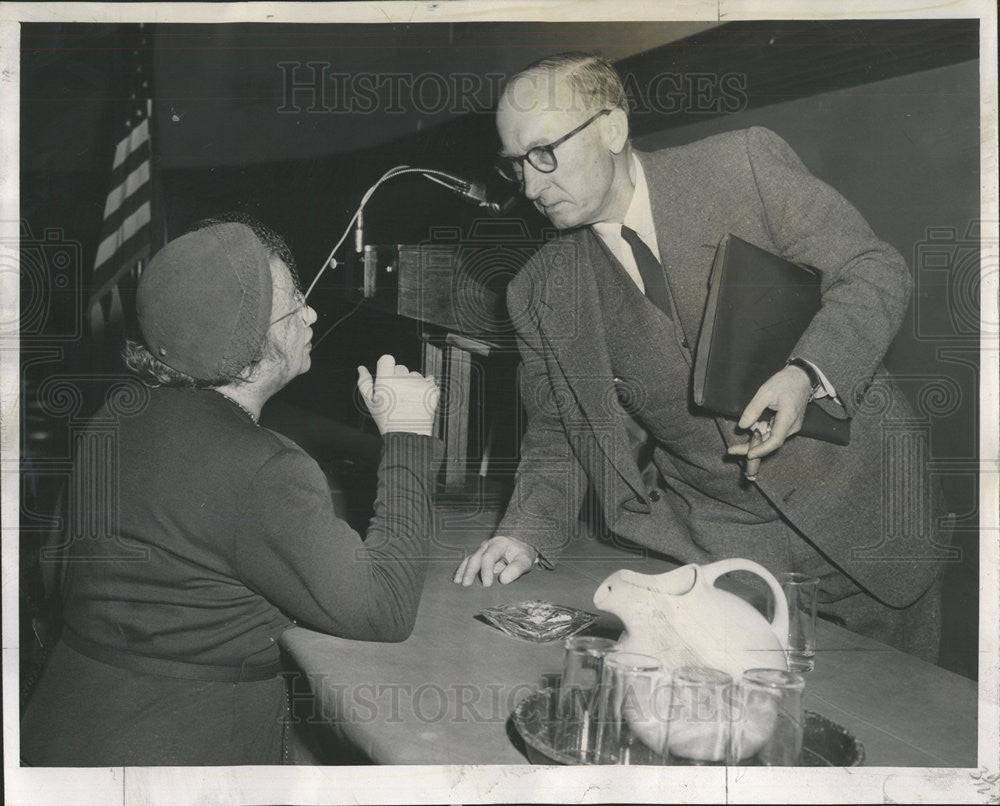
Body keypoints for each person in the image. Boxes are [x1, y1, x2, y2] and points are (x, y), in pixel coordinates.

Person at [454, 53, 951, 661]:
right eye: (516, 166)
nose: (532, 185)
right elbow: (560, 428)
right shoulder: (536, 291)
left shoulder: (741, 166)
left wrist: (807, 375)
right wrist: (525, 531)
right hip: (723, 560)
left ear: (611, 128)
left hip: (872, 524)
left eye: (545, 153)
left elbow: (872, 269)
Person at [21, 217, 441, 765]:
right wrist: (409, 435)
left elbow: (63, 571)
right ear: (251, 349)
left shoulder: (113, 419)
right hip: (183, 758)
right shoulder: (265, 467)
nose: (312, 313)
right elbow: (385, 610)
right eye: (295, 305)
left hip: (61, 730)